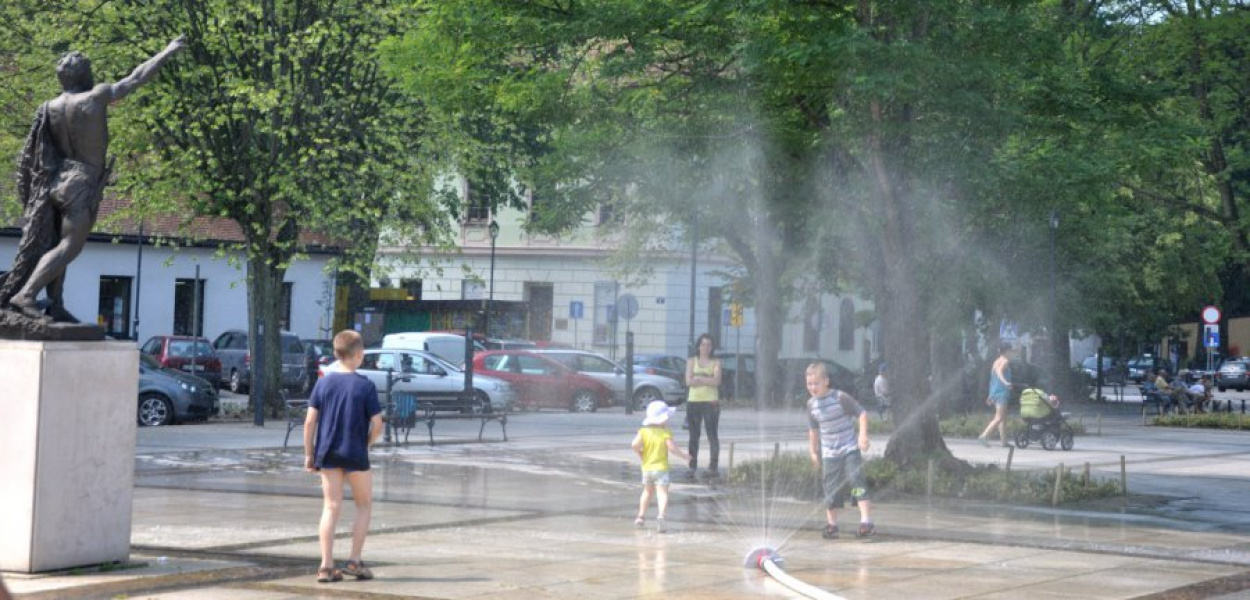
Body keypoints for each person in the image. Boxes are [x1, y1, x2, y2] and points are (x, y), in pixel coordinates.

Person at [0, 37, 185, 322]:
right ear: (83, 74)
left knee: (56, 242)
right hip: (81, 181)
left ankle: (56, 303)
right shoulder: (95, 96)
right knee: (70, 245)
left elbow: (34, 152)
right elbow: (135, 78)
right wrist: (167, 52)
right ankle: (26, 294)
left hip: (56, 181)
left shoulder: (49, 107)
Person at [303, 329, 384, 584]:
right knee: (363, 505)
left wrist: (309, 454)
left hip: (327, 452)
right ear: (359, 354)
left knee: (331, 506)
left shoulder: (323, 381)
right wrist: (367, 443)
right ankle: (354, 561)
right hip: (355, 452)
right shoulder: (365, 385)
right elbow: (378, 423)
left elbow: (309, 422)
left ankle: (326, 567)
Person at [806, 361, 875, 539]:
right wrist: (813, 451)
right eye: (809, 384)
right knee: (830, 488)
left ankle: (866, 521)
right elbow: (813, 430)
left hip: (849, 448)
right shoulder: (811, 405)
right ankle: (832, 525)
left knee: (856, 480)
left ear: (826, 381)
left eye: (816, 383)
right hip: (829, 452)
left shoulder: (840, 398)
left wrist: (862, 436)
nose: (812, 387)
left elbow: (861, 413)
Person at [631, 400, 692, 533]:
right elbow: (671, 448)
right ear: (663, 419)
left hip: (647, 468)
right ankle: (661, 516)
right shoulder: (665, 433)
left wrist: (641, 454)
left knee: (647, 491)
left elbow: (634, 445)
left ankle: (640, 516)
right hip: (661, 469)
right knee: (662, 493)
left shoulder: (643, 431)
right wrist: (684, 456)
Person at [684, 333, 722, 480]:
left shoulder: (716, 362)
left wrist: (699, 378)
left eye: (709, 345)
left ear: (712, 347)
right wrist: (708, 379)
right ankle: (692, 466)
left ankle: (713, 467)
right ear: (698, 346)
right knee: (693, 435)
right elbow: (688, 381)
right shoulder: (691, 361)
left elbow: (717, 381)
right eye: (703, 344)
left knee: (712, 435)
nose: (706, 347)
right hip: (693, 401)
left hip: (711, 402)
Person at [978, 342, 1014, 447]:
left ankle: (1004, 441)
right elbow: (999, 372)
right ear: (1006, 351)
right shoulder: (1005, 361)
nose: (1011, 352)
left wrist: (991, 395)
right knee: (999, 417)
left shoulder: (996, 361)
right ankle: (984, 436)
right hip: (1002, 392)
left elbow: (992, 380)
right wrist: (1006, 382)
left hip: (995, 392)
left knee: (1003, 417)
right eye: (1010, 350)